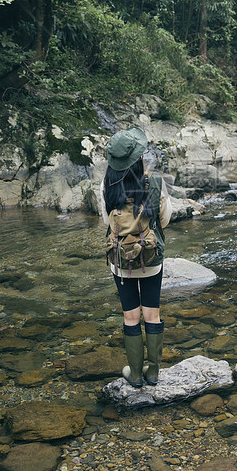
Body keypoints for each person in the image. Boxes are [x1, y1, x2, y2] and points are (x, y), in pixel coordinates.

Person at [100, 127, 172, 387]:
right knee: (152, 314)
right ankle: (153, 373)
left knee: (130, 317)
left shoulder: (106, 184)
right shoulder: (154, 182)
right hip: (151, 259)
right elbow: (164, 219)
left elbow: (105, 219)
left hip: (120, 262)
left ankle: (136, 375)